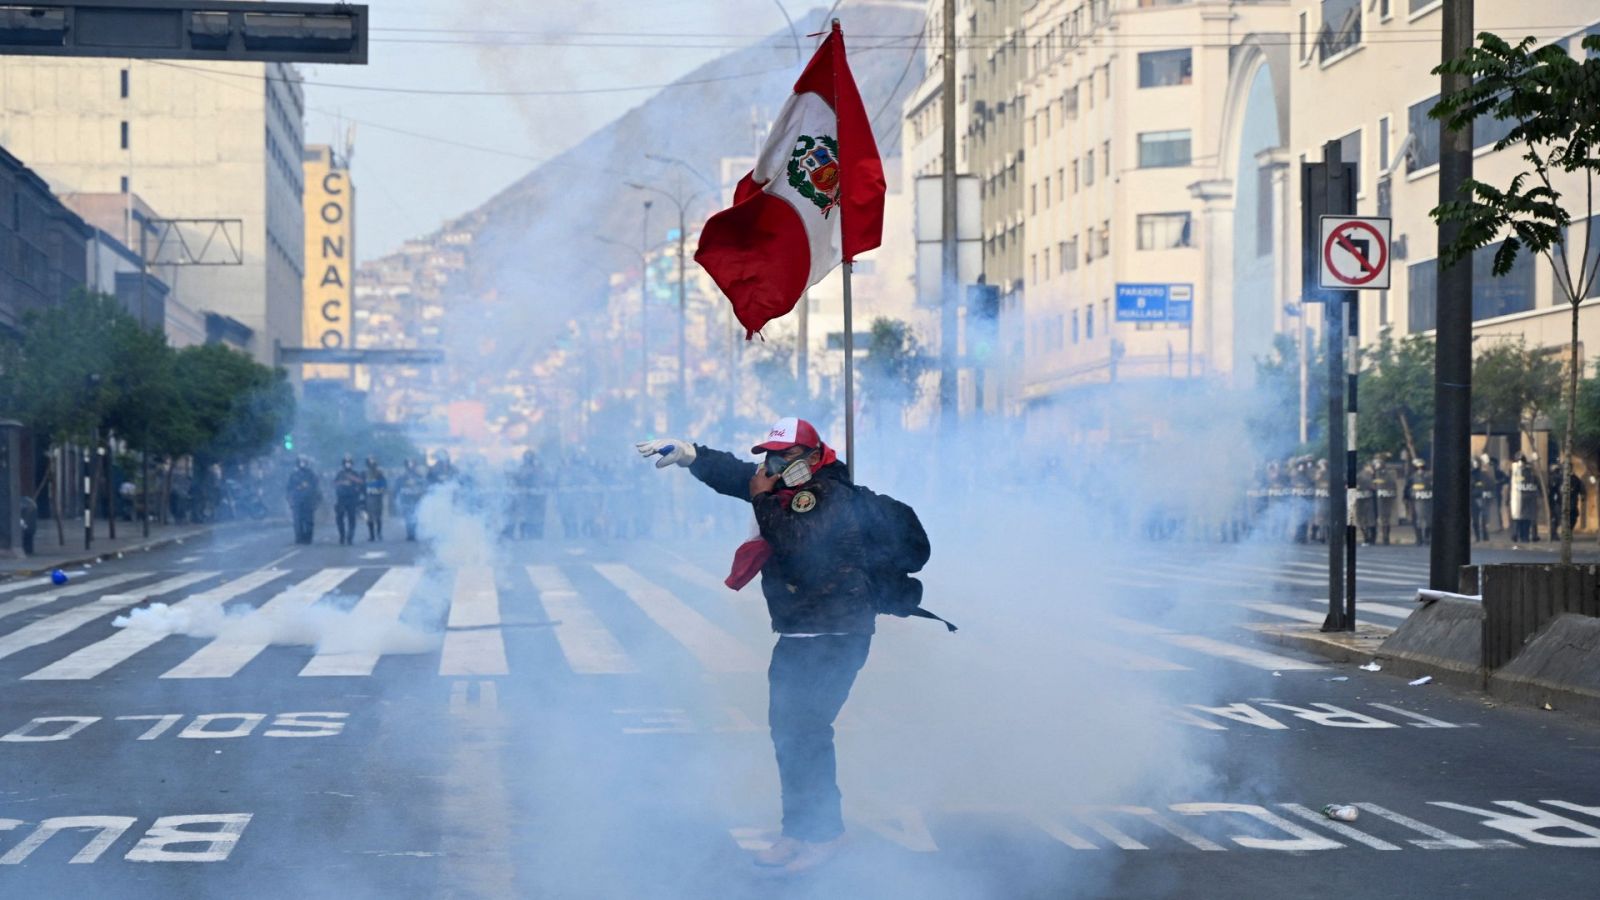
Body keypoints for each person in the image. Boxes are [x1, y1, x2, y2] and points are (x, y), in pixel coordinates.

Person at [635, 419, 944, 875]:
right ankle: (803, 830)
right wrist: (692, 454)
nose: (774, 465)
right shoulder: (785, 493)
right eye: (771, 456)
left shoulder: (823, 496)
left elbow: (798, 542)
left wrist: (760, 497)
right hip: (807, 631)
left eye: (785, 456)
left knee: (804, 732)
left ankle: (819, 833)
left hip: (833, 632)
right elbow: (740, 475)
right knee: (794, 732)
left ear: (813, 457)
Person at [512, 449, 548, 540]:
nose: (528, 460)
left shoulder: (538, 469)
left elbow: (543, 481)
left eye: (530, 458)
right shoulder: (521, 468)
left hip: (537, 496)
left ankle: (537, 533)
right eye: (526, 458)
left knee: (537, 515)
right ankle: (524, 533)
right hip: (524, 496)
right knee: (523, 515)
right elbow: (517, 480)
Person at [285, 457, 320, 544]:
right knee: (297, 521)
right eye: (301, 462)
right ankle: (299, 538)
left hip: (308, 501)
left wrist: (315, 500)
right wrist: (290, 499)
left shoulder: (311, 475)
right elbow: (289, 488)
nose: (302, 464)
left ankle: (308, 538)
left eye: (304, 462)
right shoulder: (294, 475)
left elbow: (315, 488)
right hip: (297, 501)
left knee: (309, 521)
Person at [333, 455, 365, 546]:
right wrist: (343, 483)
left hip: (352, 499)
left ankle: (350, 537)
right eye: (346, 463)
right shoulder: (340, 474)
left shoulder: (355, 473)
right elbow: (334, 483)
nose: (348, 465)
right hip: (341, 499)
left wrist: (353, 481)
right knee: (339, 518)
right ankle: (342, 536)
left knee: (352, 518)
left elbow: (361, 483)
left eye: (349, 463)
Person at [394, 459, 426, 542]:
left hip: (415, 498)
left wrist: (420, 493)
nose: (411, 467)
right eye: (409, 465)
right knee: (408, 517)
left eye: (412, 465)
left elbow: (423, 485)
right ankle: (410, 534)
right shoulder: (402, 477)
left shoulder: (419, 476)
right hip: (406, 498)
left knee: (415, 516)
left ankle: (414, 533)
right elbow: (397, 487)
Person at [1371, 455, 1398, 545]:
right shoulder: (1372, 474)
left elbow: (1392, 486)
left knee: (1384, 519)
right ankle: (1372, 538)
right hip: (1372, 499)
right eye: (1375, 464)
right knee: (1372, 518)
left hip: (1383, 499)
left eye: (1377, 463)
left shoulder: (1387, 475)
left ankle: (1385, 537)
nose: (1375, 465)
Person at [1405, 458, 1434, 546]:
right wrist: (1408, 497)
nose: (1420, 470)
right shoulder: (1412, 477)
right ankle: (1419, 538)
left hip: (1428, 500)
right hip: (1415, 501)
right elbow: (1407, 489)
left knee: (1429, 520)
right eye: (1418, 468)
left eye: (1421, 468)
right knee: (1417, 520)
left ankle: (1427, 537)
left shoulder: (1430, 476)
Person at [1471, 458, 1496, 543]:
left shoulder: (1484, 475)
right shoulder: (1473, 475)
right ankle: (1480, 536)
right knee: (1477, 519)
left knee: (1482, 519)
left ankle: (1483, 536)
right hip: (1475, 499)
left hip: (1481, 498)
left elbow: (1491, 485)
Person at [364, 456, 387, 541]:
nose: (371, 465)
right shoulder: (364, 474)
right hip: (369, 497)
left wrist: (381, 490)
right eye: (370, 463)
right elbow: (362, 485)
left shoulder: (379, 474)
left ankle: (379, 533)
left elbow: (383, 484)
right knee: (369, 517)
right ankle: (372, 535)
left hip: (377, 497)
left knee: (378, 516)